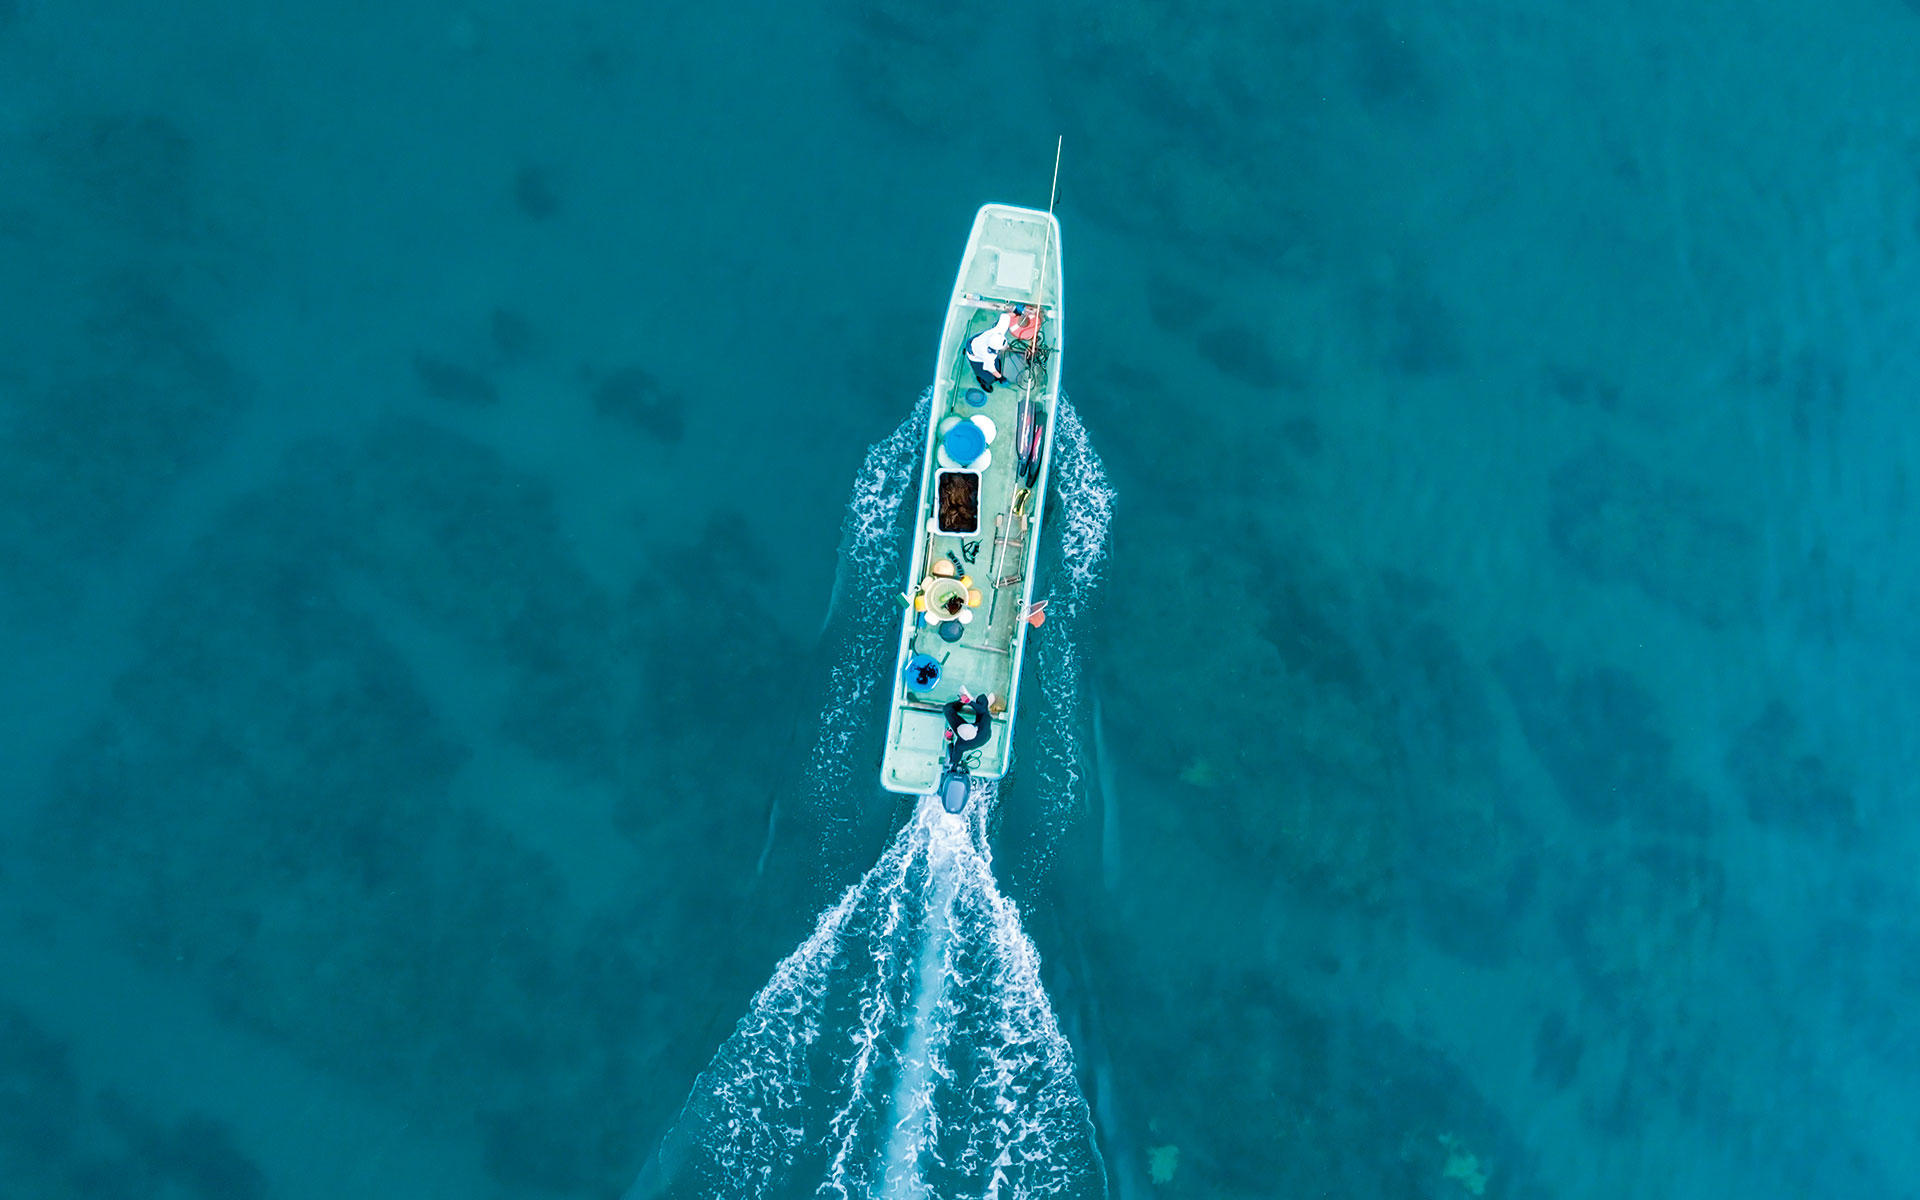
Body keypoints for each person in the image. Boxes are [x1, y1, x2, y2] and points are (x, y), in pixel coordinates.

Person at [965, 312, 1014, 391]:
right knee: (989, 377)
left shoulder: (999, 330)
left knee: (998, 365)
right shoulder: (988, 355)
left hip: (978, 339)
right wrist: (1001, 378)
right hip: (975, 356)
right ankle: (983, 382)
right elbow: (991, 369)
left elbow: (1006, 316)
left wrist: (1018, 312)